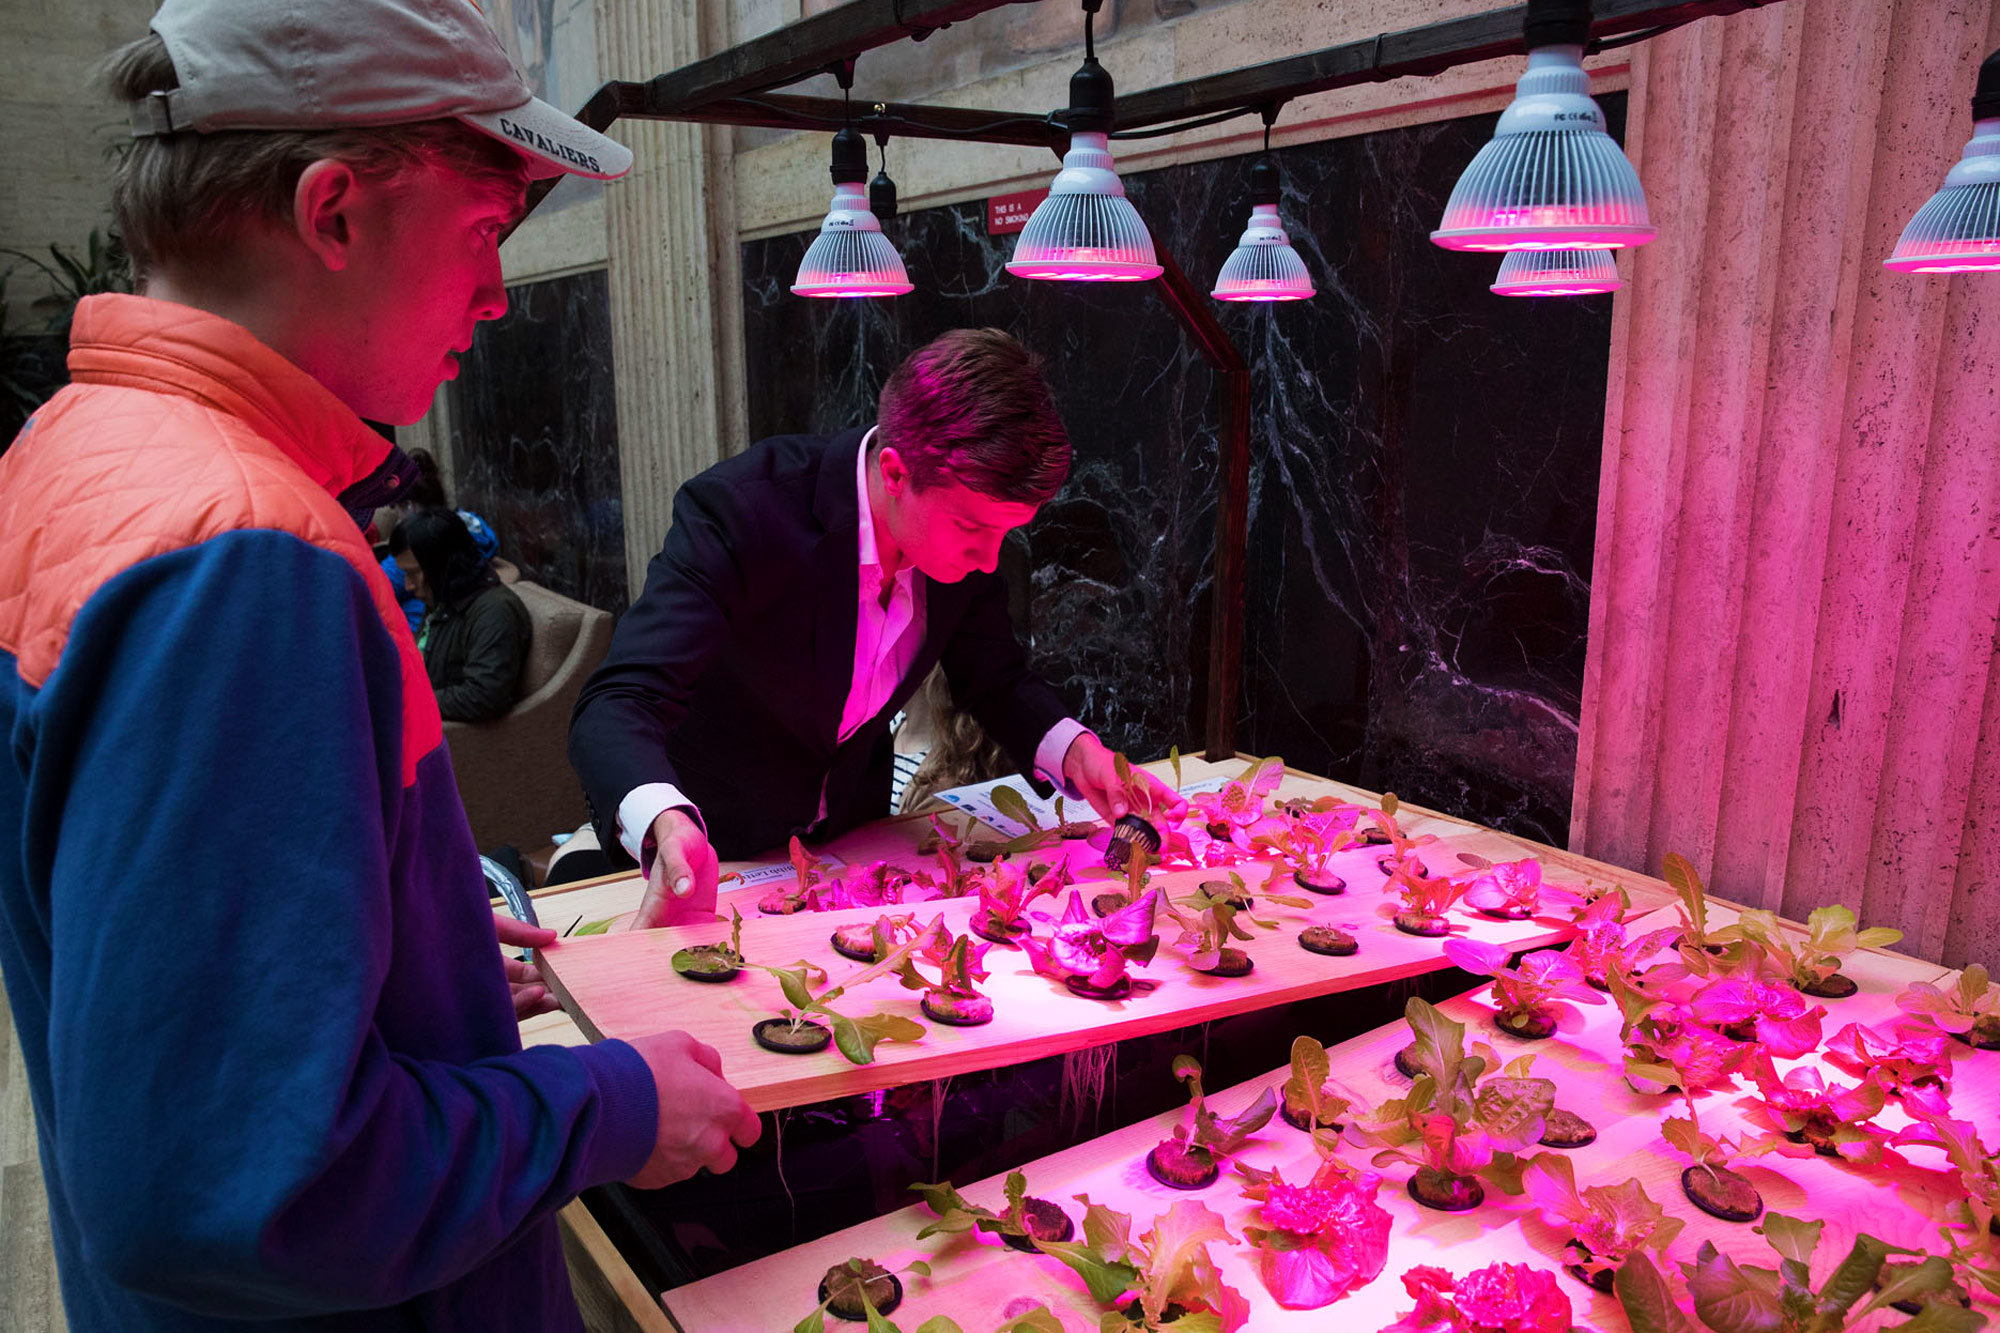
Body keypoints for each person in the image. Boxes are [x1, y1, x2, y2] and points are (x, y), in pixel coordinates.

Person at [0, 2, 758, 1329]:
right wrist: (611, 1101)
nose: (498, 291)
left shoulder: (81, 450)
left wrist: (423, 949)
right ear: (334, 212)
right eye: (482, 232)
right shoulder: (239, 560)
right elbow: (240, 1180)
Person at [569, 327, 1185, 930]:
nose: (991, 560)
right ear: (895, 474)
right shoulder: (743, 510)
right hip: (713, 852)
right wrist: (666, 821)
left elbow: (994, 677)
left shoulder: (959, 543)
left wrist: (1078, 751)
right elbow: (620, 701)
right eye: (974, 529)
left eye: (1006, 533)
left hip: (854, 847)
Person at [391, 505, 530, 721]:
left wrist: (405, 702)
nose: (408, 585)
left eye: (413, 574)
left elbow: (484, 697)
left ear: (442, 566)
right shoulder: (443, 597)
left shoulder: (494, 611)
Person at [378, 447, 500, 633]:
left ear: (409, 505)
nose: (398, 520)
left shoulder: (417, 553)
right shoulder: (463, 536)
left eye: (399, 510)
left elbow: (369, 592)